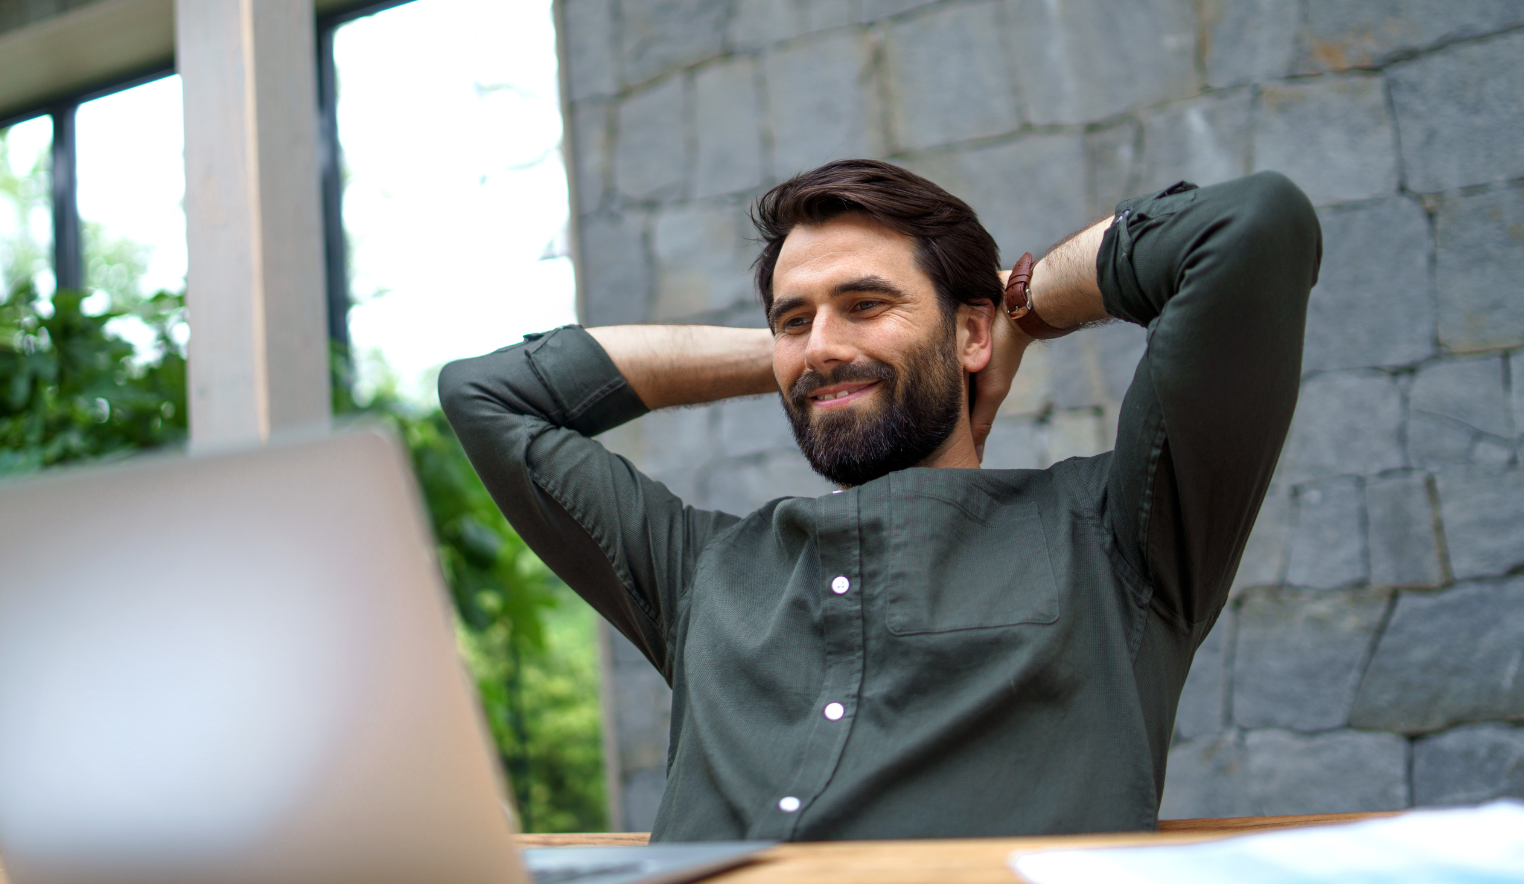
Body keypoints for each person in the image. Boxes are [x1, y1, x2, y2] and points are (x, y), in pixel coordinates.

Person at [438, 160, 1321, 841]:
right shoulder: (701, 572)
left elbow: (1249, 227)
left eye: (866, 302)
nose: (821, 342)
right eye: (794, 317)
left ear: (969, 330)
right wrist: (807, 358)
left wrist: (1024, 308)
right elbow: (486, 395)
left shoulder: (1119, 540)